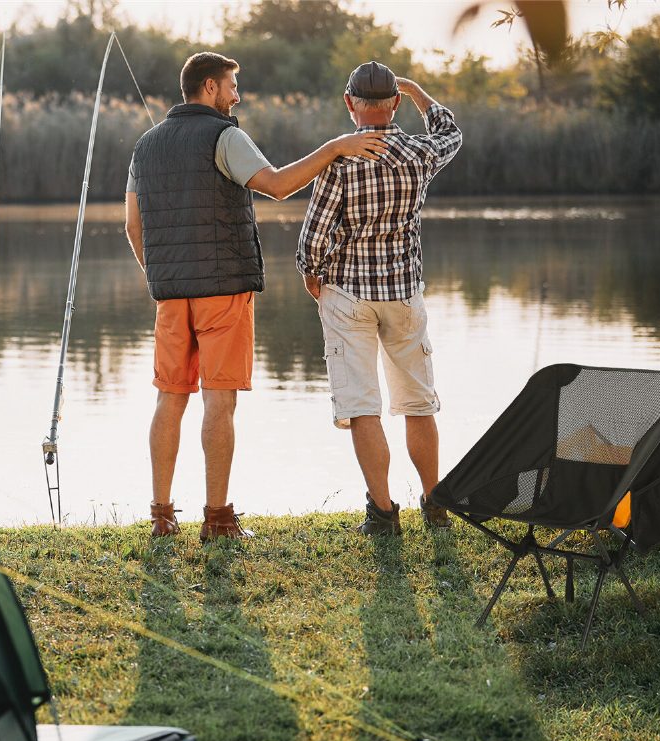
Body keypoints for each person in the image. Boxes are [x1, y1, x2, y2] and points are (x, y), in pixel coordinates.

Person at [125, 52, 387, 542]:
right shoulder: (225, 136)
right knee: (218, 403)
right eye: (230, 86)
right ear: (208, 86)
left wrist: (161, 276)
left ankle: (162, 515)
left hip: (170, 296)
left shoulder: (145, 145)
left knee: (169, 399)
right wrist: (335, 147)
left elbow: (132, 226)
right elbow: (279, 186)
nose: (236, 96)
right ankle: (218, 519)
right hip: (223, 294)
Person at [296, 62, 462, 535]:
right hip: (404, 293)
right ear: (392, 104)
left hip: (348, 293)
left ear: (349, 104)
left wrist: (312, 273)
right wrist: (417, 93)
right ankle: (434, 502)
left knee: (362, 405)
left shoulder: (341, 159)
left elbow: (314, 234)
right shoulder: (419, 153)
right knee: (417, 402)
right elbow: (452, 134)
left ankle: (384, 512)